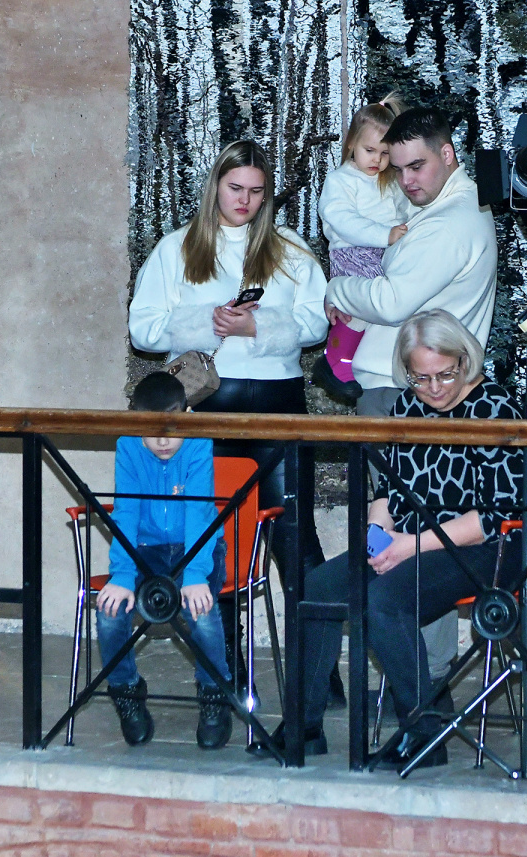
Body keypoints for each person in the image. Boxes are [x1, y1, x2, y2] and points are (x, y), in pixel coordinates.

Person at [252, 310, 524, 767]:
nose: (434, 388)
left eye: (445, 374)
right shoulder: (408, 408)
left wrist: (407, 548)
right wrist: (376, 538)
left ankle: (424, 734)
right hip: (413, 542)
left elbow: (496, 516)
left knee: (385, 601)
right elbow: (390, 492)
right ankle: (305, 726)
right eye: (421, 378)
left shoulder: (496, 407)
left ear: (465, 359)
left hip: (488, 548)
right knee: (319, 587)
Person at [128, 140, 331, 700]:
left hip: (280, 408)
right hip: (209, 411)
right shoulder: (177, 248)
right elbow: (142, 328)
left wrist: (258, 327)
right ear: (215, 185)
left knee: (296, 539)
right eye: (235, 188)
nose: (244, 200)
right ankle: (225, 669)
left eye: (256, 192)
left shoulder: (289, 247)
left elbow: (317, 323)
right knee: (214, 540)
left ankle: (320, 672)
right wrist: (207, 323)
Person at [325, 105, 499, 699]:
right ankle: (418, 686)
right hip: (400, 392)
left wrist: (338, 287)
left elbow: (393, 300)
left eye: (417, 166)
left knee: (415, 545)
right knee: (396, 536)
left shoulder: (451, 221)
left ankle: (423, 691)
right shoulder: (437, 211)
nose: (407, 180)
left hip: (409, 391)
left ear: (449, 154)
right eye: (398, 169)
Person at [96, 372, 233, 750]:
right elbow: (126, 512)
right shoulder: (128, 447)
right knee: (109, 612)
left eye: (170, 430)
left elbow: (199, 513)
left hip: (197, 546)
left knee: (200, 610)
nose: (162, 442)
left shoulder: (198, 443)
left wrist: (195, 574)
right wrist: (123, 574)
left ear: (187, 415)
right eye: (151, 431)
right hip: (146, 548)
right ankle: (126, 691)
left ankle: (214, 693)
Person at [312, 92, 410, 403]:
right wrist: (386, 234)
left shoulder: (389, 182)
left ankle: (355, 360)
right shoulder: (341, 180)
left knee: (385, 304)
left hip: (382, 252)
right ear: (352, 142)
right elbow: (343, 221)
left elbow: (404, 212)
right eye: (369, 151)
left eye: (385, 154)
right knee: (362, 304)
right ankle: (334, 359)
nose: (376, 160)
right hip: (351, 252)